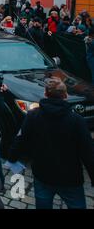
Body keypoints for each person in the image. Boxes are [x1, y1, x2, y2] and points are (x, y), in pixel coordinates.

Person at [9, 77, 94, 209]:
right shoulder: (76, 121)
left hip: (43, 174)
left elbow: (21, 139)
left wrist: (12, 157)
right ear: (65, 96)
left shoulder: (33, 116)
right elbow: (88, 151)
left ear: (45, 94)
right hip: (70, 178)